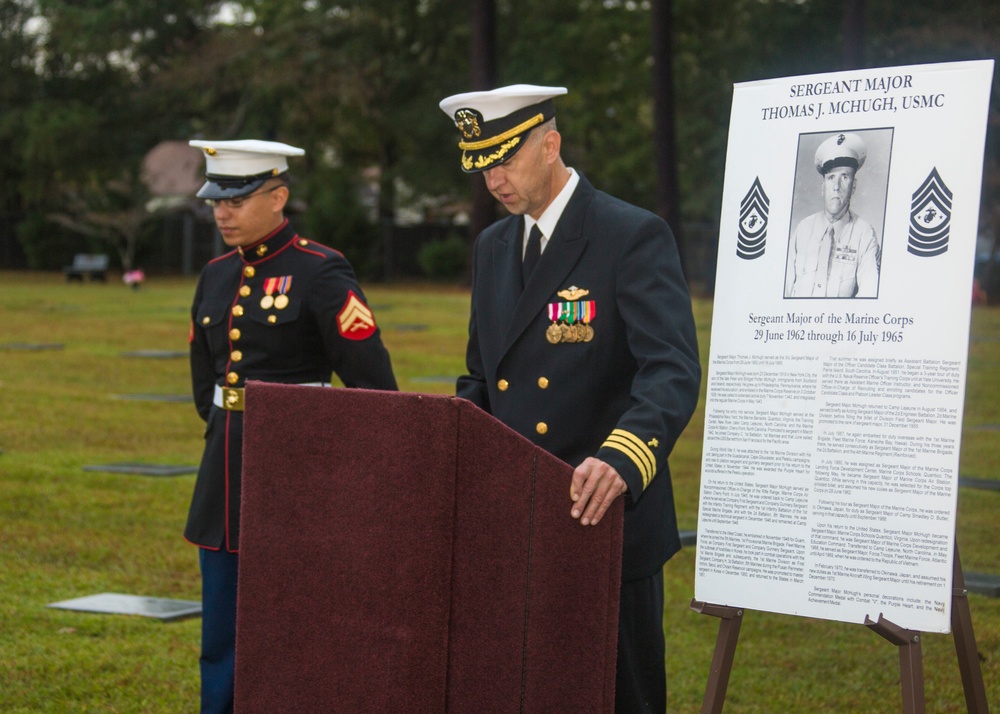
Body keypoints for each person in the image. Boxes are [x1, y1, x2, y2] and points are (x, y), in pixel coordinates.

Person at [439, 85, 701, 713]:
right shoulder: (494, 247)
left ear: (550, 144)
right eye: (482, 166)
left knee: (617, 692)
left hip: (603, 512)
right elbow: (482, 374)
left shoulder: (630, 234)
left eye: (504, 160)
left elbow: (671, 368)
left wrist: (623, 458)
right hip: (518, 513)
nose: (494, 180)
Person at [185, 139, 397, 714]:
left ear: (279, 197)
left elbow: (373, 385)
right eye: (215, 202)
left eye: (237, 200)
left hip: (301, 479)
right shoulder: (215, 275)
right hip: (225, 478)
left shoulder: (321, 271)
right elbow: (207, 385)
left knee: (300, 626)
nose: (221, 213)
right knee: (222, 635)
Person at [784, 132, 881, 298]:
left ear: (854, 185)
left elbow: (869, 295)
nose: (836, 186)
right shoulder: (803, 229)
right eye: (830, 178)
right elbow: (784, 288)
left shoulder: (865, 234)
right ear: (823, 187)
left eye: (844, 177)